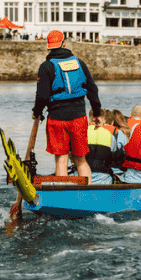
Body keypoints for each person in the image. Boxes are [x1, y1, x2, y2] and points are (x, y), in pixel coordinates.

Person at [33, 30, 102, 179]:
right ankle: (88, 191)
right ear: (64, 43)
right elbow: (92, 89)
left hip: (57, 118)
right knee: (81, 159)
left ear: (49, 47)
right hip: (79, 117)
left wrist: (36, 112)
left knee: (61, 159)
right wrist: (97, 113)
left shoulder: (46, 67)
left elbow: (42, 97)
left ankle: (63, 192)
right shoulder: (79, 63)